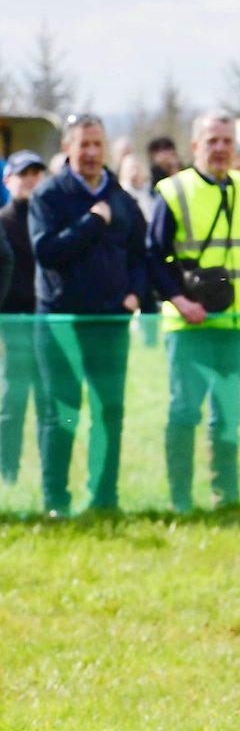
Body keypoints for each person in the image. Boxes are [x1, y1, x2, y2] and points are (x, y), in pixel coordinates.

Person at [149, 111, 240, 510]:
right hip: (188, 327)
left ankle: (227, 496)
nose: (220, 148)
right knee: (185, 412)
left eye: (226, 140)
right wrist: (179, 299)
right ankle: (181, 500)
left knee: (227, 415)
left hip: (236, 324)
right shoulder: (173, 191)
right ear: (195, 146)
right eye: (212, 141)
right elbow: (154, 256)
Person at [28, 115, 153, 514]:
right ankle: (56, 502)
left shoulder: (122, 198)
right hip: (60, 323)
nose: (92, 153)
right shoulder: (48, 196)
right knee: (60, 413)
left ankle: (104, 499)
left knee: (109, 412)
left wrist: (134, 292)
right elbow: (46, 252)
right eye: (83, 145)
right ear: (67, 148)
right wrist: (92, 221)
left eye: (98, 144)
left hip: (110, 322)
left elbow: (139, 252)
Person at [0, 151, 46, 488]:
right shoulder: (2, 222)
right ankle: (8, 476)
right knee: (12, 403)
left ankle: (48, 479)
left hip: (47, 325)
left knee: (50, 404)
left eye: (36, 172)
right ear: (7, 180)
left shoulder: (48, 219)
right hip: (11, 326)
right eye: (22, 173)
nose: (29, 179)